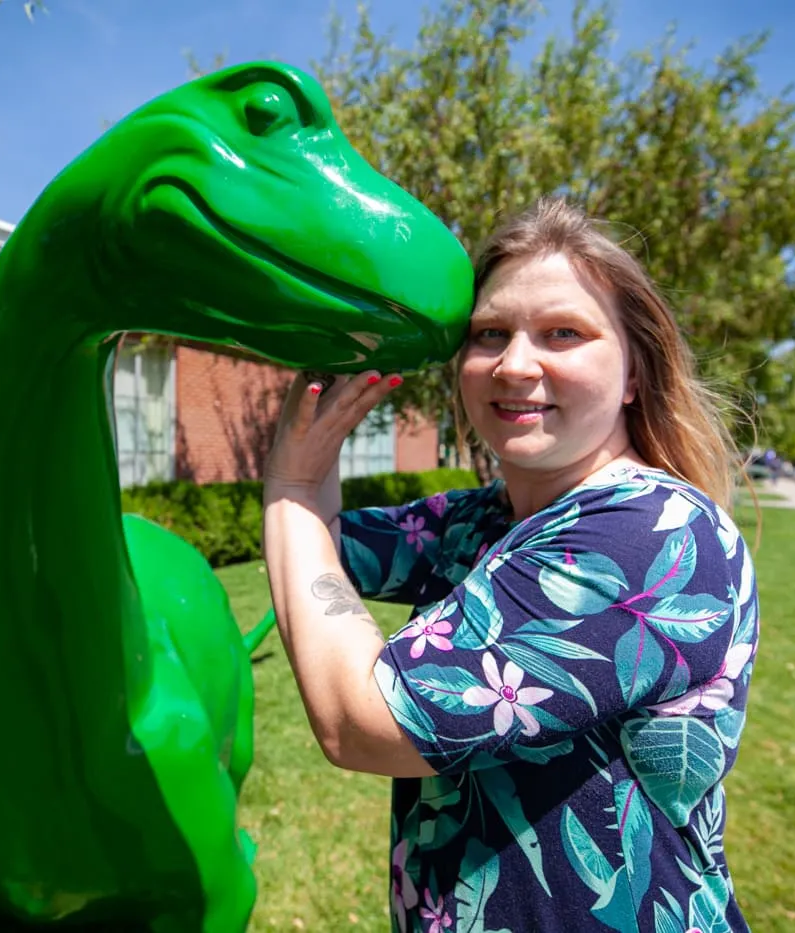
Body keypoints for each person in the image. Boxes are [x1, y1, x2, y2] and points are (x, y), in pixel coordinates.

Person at [262, 196, 757, 932]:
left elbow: (362, 722)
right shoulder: (481, 519)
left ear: (632, 375)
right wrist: (323, 398)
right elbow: (321, 544)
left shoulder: (649, 533)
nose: (515, 364)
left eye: (564, 332)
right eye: (489, 334)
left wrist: (292, 483)